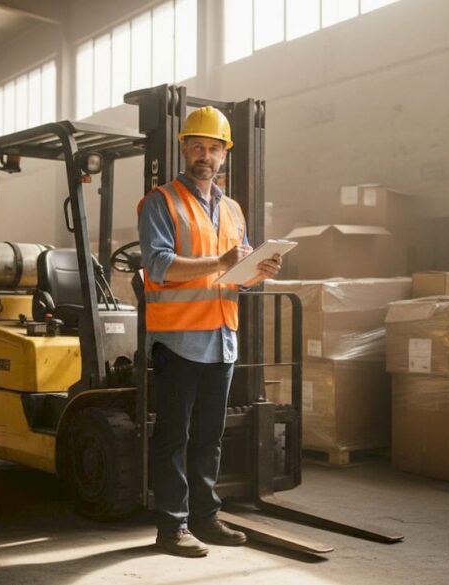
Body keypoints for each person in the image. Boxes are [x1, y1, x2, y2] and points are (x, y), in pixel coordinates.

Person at [137, 106, 281, 558]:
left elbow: (231, 277)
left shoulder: (233, 210)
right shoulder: (161, 201)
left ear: (224, 156)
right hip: (178, 340)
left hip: (222, 339)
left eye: (214, 148)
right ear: (184, 149)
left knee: (208, 437)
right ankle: (171, 527)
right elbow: (158, 266)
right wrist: (219, 264)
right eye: (197, 146)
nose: (205, 155)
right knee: (174, 437)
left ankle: (206, 518)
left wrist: (260, 270)